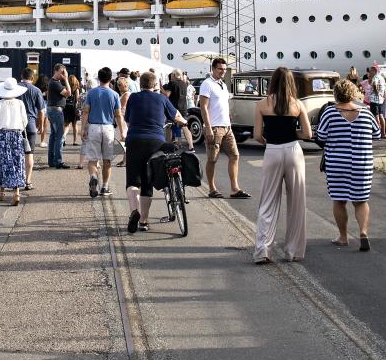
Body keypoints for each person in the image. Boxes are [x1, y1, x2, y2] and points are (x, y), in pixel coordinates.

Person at [253, 67, 313, 264]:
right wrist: (290, 133)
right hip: (293, 152)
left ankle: (263, 249)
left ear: (273, 81)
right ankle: (293, 251)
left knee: (268, 201)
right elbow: (307, 134)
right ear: (291, 82)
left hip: (272, 150)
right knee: (296, 203)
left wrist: (271, 138)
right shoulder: (297, 104)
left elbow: (256, 136)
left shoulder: (262, 104)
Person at [315, 80, 381, 251]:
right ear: (353, 93)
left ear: (336, 94)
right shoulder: (366, 112)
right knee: (360, 201)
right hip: (362, 162)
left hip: (337, 163)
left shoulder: (330, 112)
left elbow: (320, 136)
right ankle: (363, 232)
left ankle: (343, 237)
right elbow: (377, 133)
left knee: (339, 200)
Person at [122, 71, 190, 233]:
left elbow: (127, 119)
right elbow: (177, 116)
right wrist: (183, 122)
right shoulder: (162, 99)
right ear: (154, 86)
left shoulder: (133, 98)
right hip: (155, 142)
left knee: (132, 181)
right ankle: (144, 221)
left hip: (134, 140)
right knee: (147, 182)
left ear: (140, 84)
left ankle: (134, 211)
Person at [199, 58, 248, 198]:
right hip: (214, 127)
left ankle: (234, 188)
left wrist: (228, 117)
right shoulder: (207, 84)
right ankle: (212, 189)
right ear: (213, 69)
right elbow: (203, 107)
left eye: (224, 69)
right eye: (220, 69)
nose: (223, 71)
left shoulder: (222, 84)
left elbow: (223, 104)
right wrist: (208, 127)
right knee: (212, 159)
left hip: (227, 126)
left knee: (235, 155)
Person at [81, 67, 124, 198]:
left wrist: (83, 128)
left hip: (94, 127)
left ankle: (93, 176)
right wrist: (122, 132)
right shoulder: (114, 94)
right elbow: (118, 115)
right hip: (108, 128)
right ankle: (104, 187)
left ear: (98, 78)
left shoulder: (91, 93)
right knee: (107, 160)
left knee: (93, 159)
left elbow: (86, 111)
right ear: (110, 79)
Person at [0, 77, 30, 205]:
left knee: (2, 162)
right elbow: (25, 121)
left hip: (2, 134)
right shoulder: (20, 103)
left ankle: (2, 192)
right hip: (16, 134)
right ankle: (17, 192)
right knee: (17, 162)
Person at [17, 67, 46, 187]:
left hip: (16, 124)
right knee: (29, 153)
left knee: (17, 153)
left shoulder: (15, 88)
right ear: (32, 78)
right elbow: (41, 110)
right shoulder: (36, 90)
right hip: (30, 124)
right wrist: (41, 124)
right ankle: (28, 181)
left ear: (21, 76)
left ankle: (17, 180)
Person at [45, 64, 70, 168]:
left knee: (53, 136)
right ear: (55, 71)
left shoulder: (54, 82)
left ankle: (52, 161)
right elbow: (68, 93)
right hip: (56, 110)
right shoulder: (55, 83)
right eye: (62, 72)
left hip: (52, 109)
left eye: (64, 72)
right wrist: (67, 79)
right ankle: (58, 162)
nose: (63, 74)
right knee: (59, 136)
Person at [64, 72, 81, 148]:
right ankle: (74, 141)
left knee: (66, 125)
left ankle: (63, 137)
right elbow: (77, 99)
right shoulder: (76, 89)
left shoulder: (66, 87)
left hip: (66, 107)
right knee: (74, 125)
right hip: (73, 107)